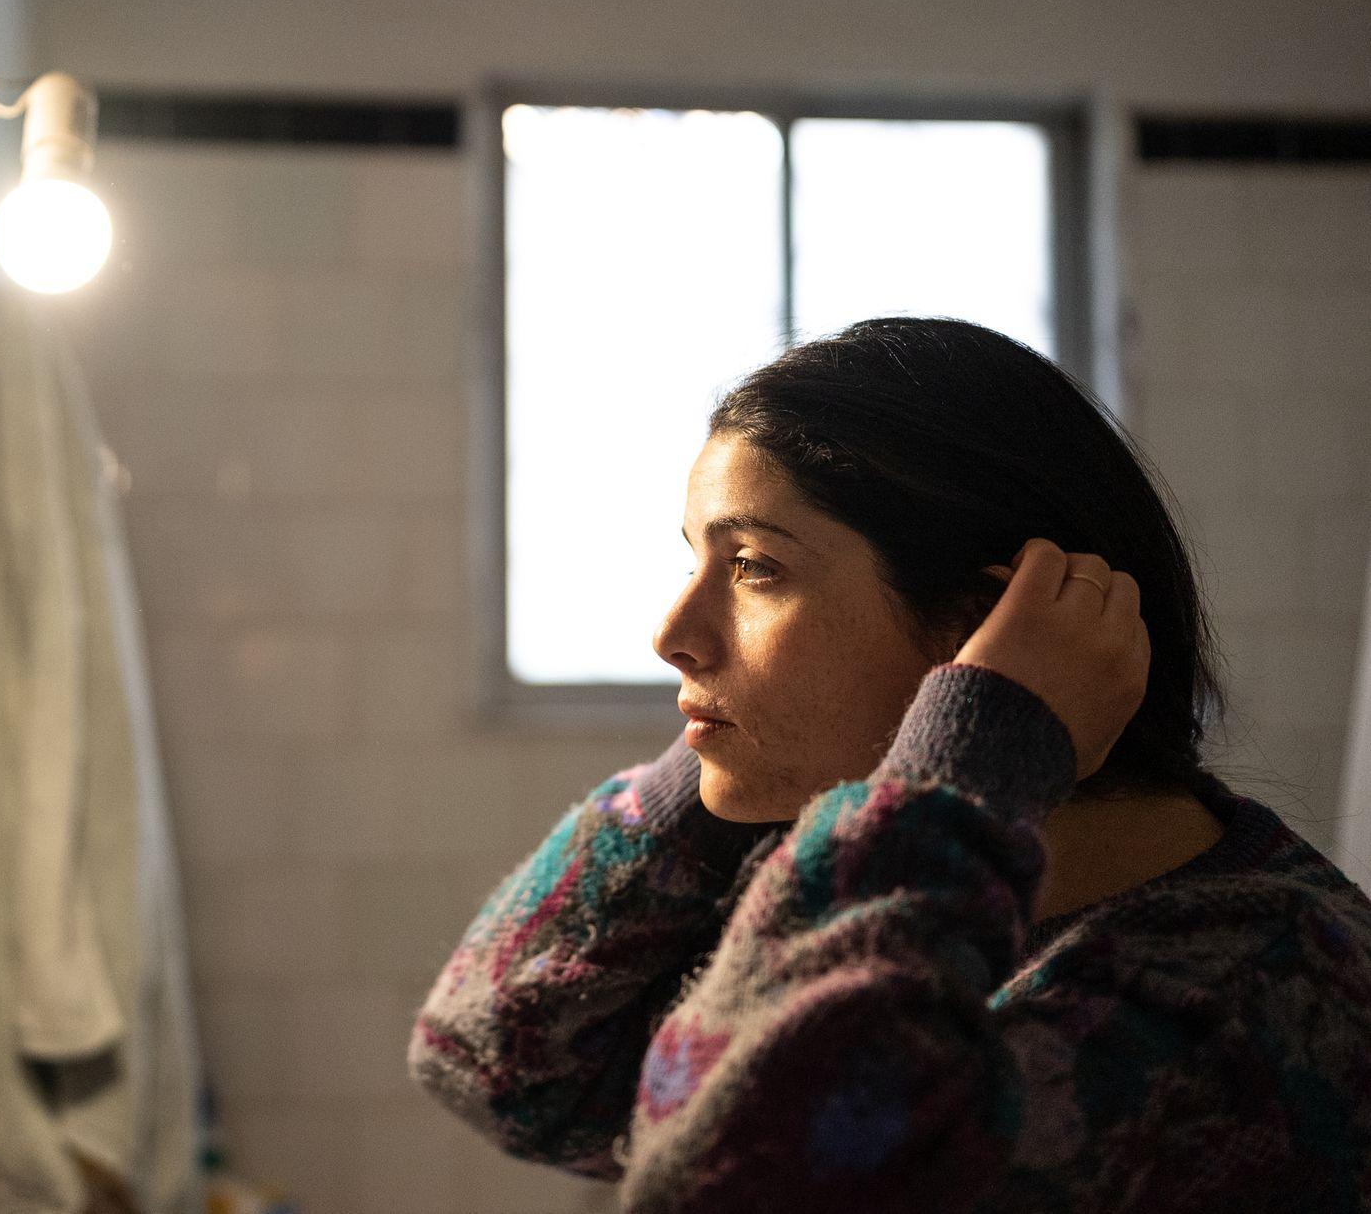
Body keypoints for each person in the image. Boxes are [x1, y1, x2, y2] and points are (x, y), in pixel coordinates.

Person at [408, 317, 1371, 1212]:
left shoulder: (1250, 1006)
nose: (673, 633)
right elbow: (495, 1056)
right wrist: (727, 748)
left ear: (982, 626)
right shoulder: (898, 889)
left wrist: (970, 752)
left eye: (754, 569)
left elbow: (734, 1179)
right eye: (695, 560)